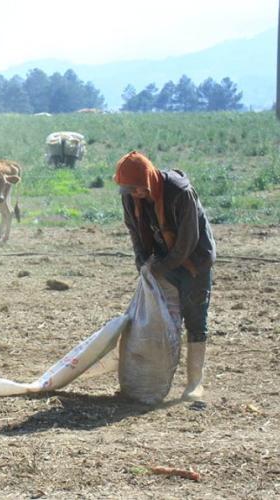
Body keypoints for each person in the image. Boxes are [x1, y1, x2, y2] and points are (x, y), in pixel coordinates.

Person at [113, 151, 216, 401]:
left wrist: (159, 268)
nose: (135, 194)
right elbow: (135, 232)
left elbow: (187, 241)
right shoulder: (130, 198)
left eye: (138, 188)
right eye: (130, 190)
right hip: (162, 261)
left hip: (194, 262)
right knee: (160, 319)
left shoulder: (180, 192)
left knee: (194, 318)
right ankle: (154, 378)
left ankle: (194, 383)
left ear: (148, 179)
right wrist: (142, 261)